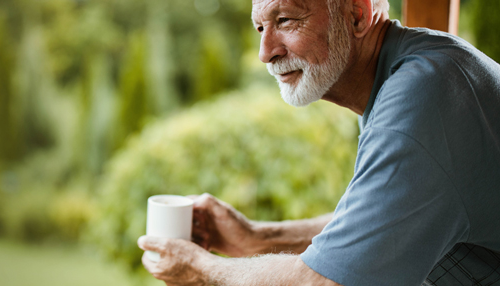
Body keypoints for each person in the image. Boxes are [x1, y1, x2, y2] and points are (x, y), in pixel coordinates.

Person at [137, 0, 500, 284]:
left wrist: (200, 271)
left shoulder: (423, 98)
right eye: (260, 27)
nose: (266, 51)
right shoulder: (411, 72)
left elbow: (327, 283)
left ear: (357, 15)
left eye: (285, 20)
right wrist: (256, 238)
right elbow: (373, 228)